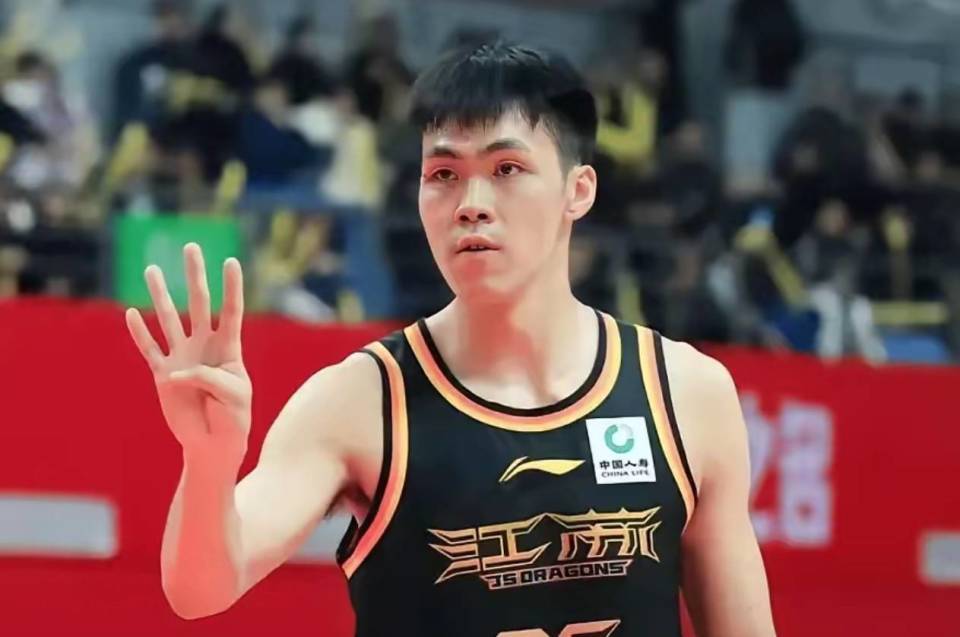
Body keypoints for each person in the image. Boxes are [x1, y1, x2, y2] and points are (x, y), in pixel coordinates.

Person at [125, 42, 777, 636]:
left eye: (507, 168)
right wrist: (208, 462)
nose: (471, 202)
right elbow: (199, 590)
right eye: (443, 174)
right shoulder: (358, 400)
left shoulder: (686, 392)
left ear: (577, 190)